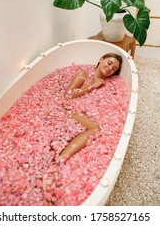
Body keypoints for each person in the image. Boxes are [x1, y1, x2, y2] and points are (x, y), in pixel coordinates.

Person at [43, 53, 122, 195]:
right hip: (68, 108)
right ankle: (58, 164)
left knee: (96, 129)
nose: (110, 68)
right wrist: (92, 86)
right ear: (101, 59)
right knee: (95, 129)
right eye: (109, 63)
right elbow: (67, 96)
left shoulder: (107, 84)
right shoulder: (83, 74)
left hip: (84, 112)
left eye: (114, 68)